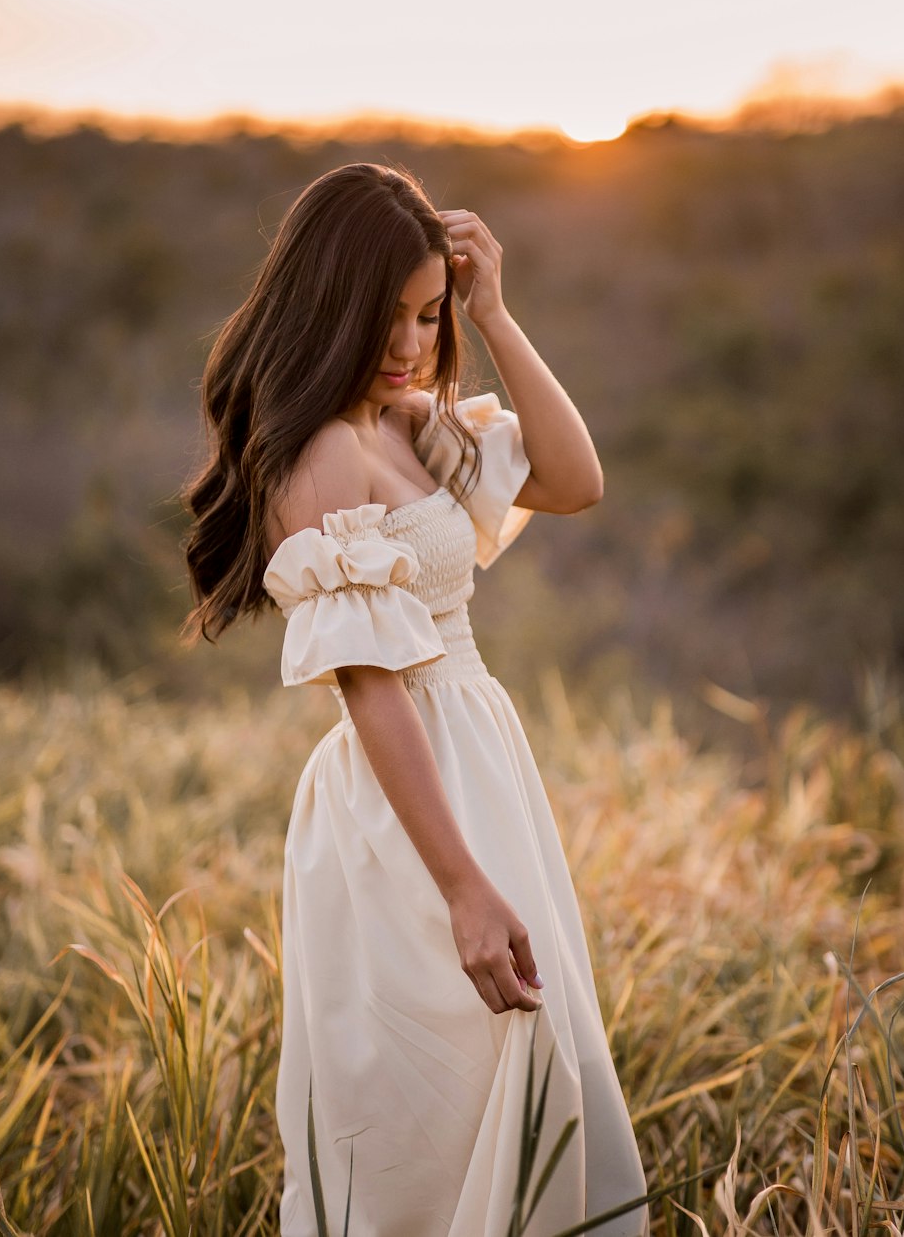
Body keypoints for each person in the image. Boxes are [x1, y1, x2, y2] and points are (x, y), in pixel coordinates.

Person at [181, 163, 648, 1237]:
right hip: (405, 809)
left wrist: (493, 312)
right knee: (426, 1120)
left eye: (425, 314)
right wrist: (465, 891)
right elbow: (370, 686)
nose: (405, 344)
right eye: (383, 315)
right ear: (327, 307)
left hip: (481, 763)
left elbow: (576, 481)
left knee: (540, 1081)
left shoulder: (414, 423)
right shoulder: (317, 458)